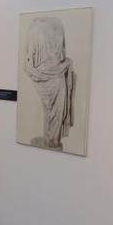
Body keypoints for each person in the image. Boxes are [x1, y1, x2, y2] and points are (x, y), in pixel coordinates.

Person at [24, 17, 74, 150]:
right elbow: (61, 56)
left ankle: (51, 140)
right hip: (55, 74)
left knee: (54, 113)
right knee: (54, 113)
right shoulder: (57, 24)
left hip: (50, 73)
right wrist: (64, 64)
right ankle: (51, 140)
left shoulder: (36, 27)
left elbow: (28, 64)